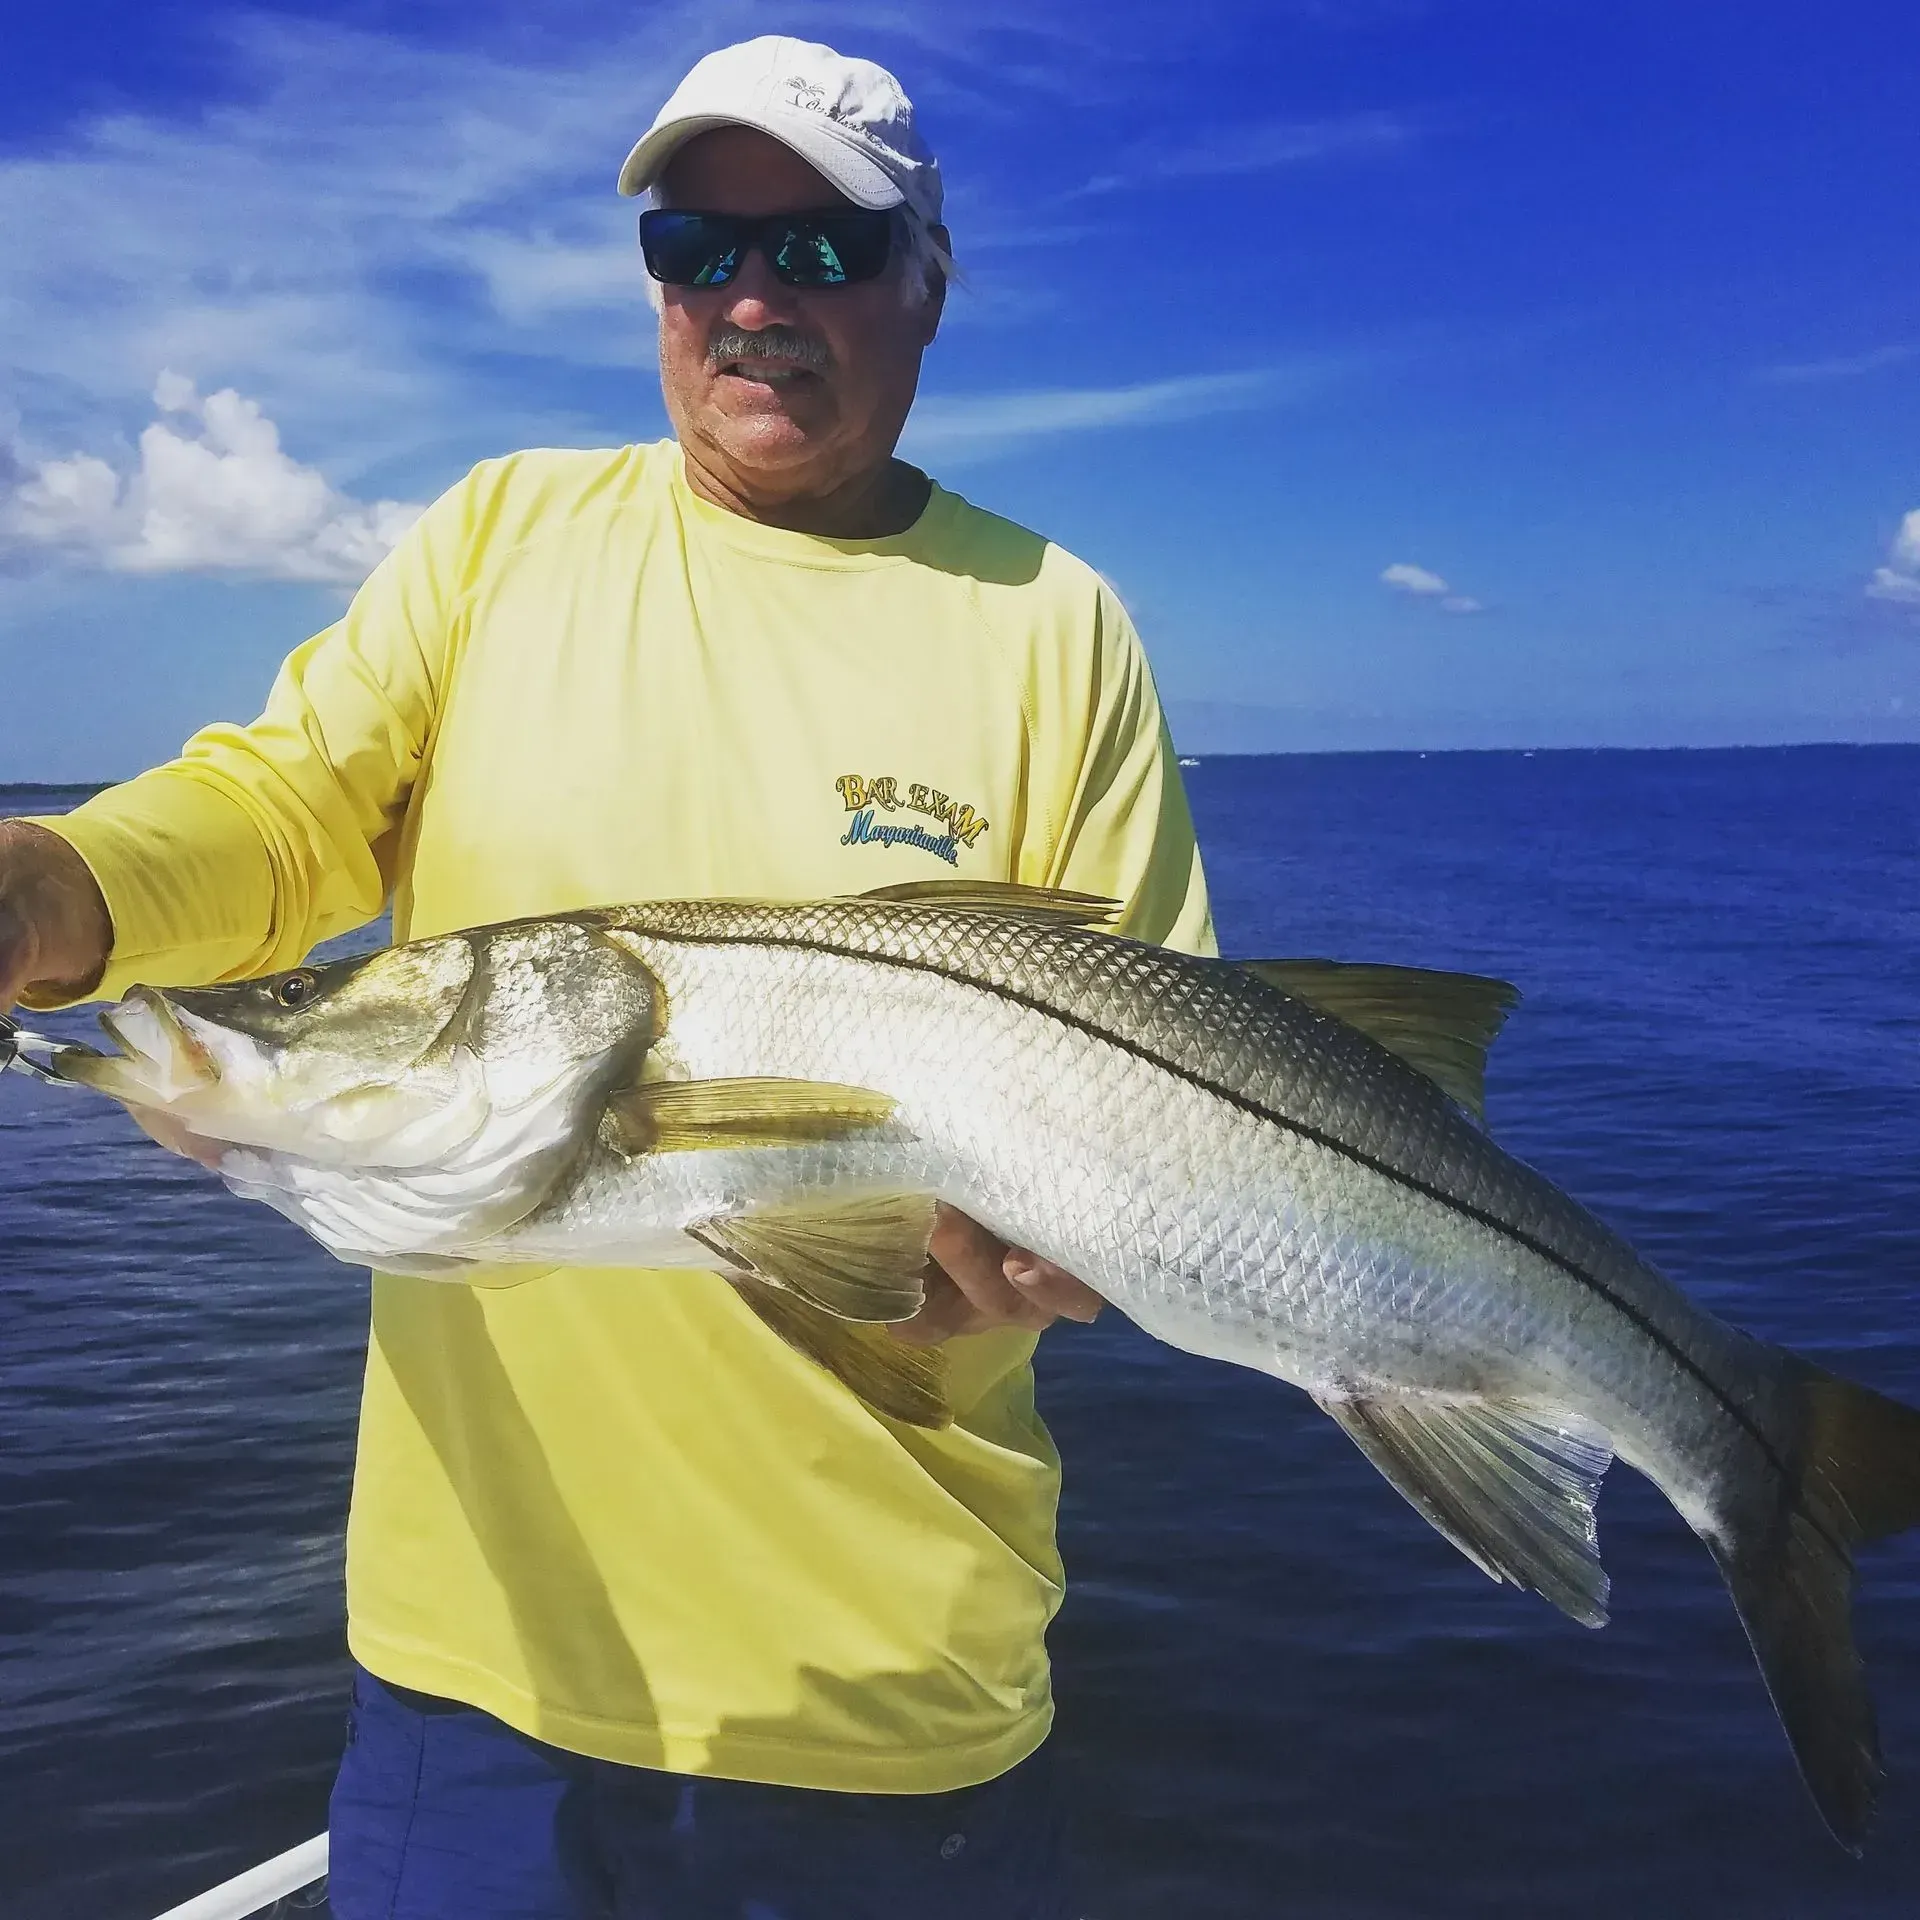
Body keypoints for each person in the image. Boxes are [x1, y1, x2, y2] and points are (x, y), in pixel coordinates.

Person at [0, 36, 1212, 1920]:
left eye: (818, 248)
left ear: (927, 283)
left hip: (898, 1694)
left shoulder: (1057, 630)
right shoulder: (505, 541)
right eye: (691, 243)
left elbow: (1164, 1087)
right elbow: (281, 813)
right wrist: (47, 888)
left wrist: (1088, 1252)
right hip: (477, 1685)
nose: (747, 298)